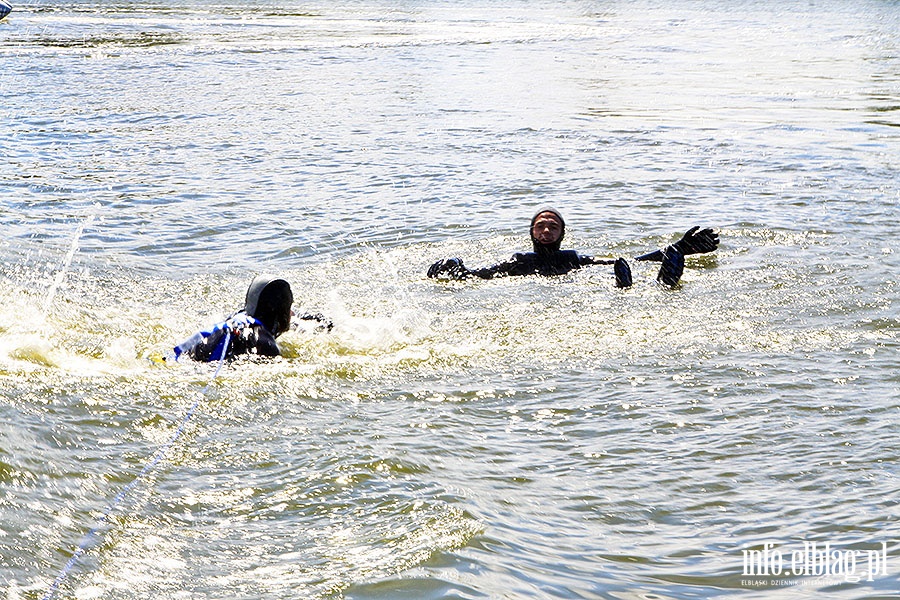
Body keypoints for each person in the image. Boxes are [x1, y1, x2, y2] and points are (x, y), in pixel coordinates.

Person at [426, 207, 719, 287]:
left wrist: (680, 247)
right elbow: (480, 276)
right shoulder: (519, 261)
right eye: (541, 225)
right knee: (620, 281)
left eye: (553, 226)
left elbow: (629, 259)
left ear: (562, 233)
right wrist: (455, 269)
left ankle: (663, 280)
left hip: (581, 280)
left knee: (620, 272)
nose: (546, 229)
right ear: (531, 232)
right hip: (540, 285)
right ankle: (628, 288)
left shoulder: (574, 259)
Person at [173, 275, 330, 362]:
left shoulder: (235, 319)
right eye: (288, 307)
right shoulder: (264, 343)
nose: (292, 313)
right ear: (280, 311)